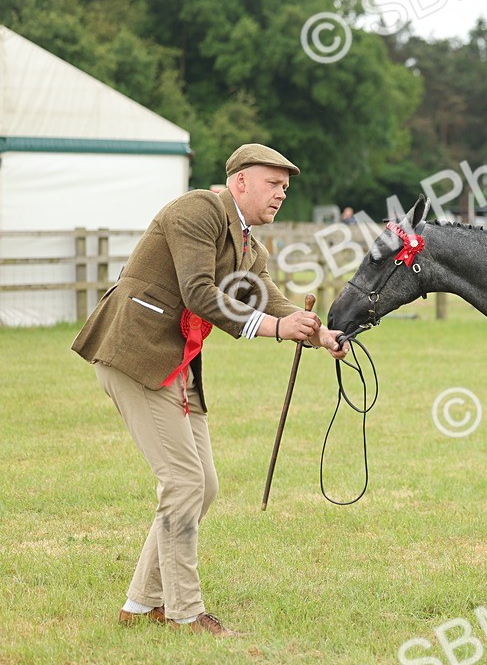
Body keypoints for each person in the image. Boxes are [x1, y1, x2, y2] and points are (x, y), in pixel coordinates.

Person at [72, 143, 347, 637]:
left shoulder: (248, 244)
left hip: (176, 364)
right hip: (135, 354)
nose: (281, 194)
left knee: (204, 485)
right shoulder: (196, 211)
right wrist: (275, 330)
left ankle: (141, 604)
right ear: (240, 181)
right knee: (183, 482)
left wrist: (316, 333)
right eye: (273, 183)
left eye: (286, 187)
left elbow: (265, 294)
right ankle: (184, 613)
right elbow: (199, 291)